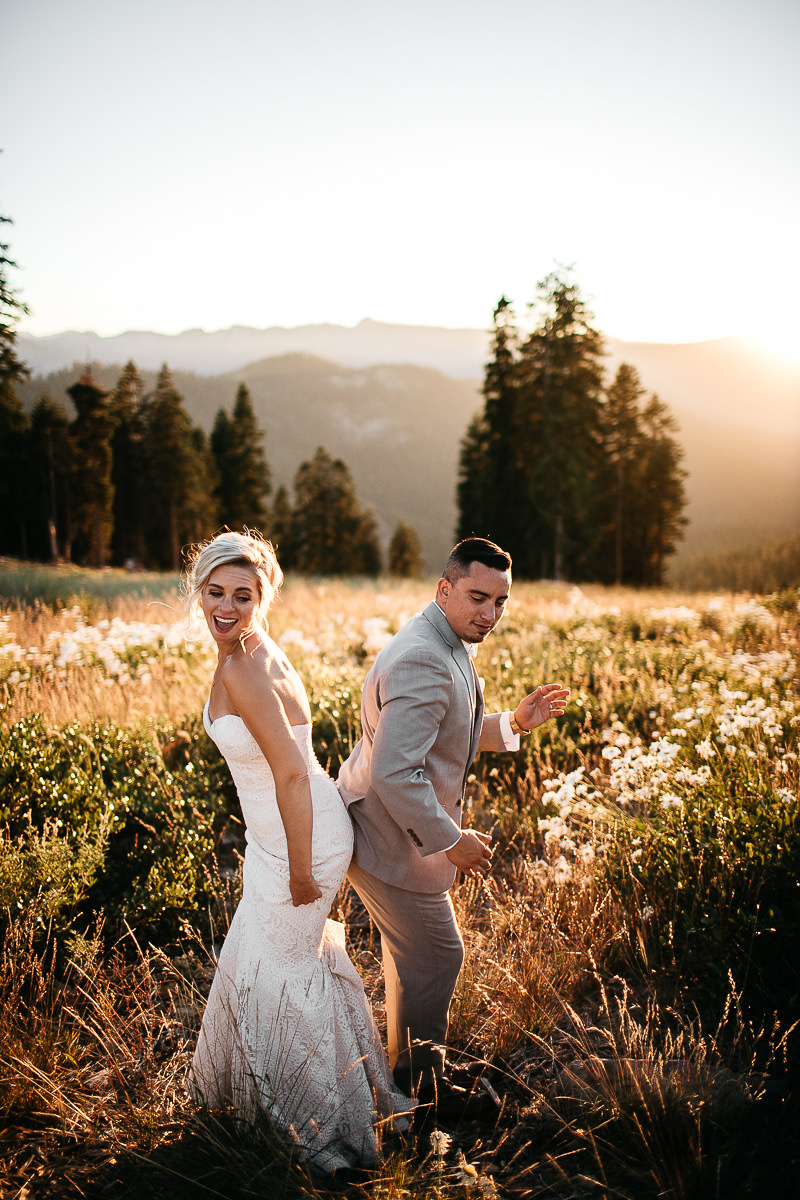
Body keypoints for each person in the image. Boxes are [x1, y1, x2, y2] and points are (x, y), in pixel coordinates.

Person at [186, 531, 411, 1173]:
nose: (225, 607)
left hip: (298, 836)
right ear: (199, 591)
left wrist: (303, 870)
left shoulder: (242, 667)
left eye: (242, 596)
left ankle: (318, 1135)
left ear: (262, 597)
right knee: (273, 959)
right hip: (292, 828)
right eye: (215, 592)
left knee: (282, 972)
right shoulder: (258, 649)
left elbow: (288, 774)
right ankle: (309, 1102)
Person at [337, 537, 569, 1114]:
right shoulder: (423, 656)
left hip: (391, 830)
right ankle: (420, 1091)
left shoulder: (443, 638)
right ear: (445, 589)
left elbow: (446, 731)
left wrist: (514, 724)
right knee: (439, 956)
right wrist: (450, 840)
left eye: (500, 602)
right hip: (390, 840)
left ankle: (413, 1074)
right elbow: (395, 772)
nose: (489, 614)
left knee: (414, 960)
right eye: (477, 598)